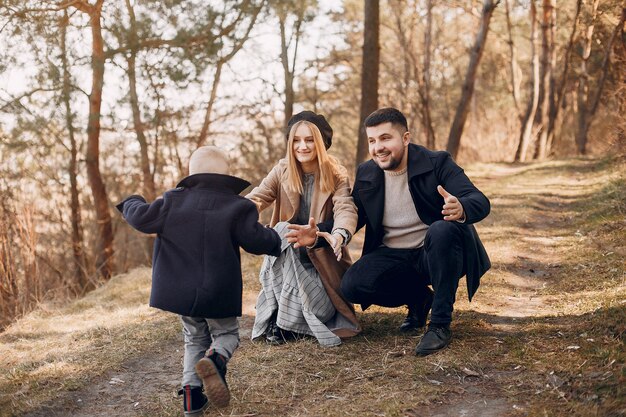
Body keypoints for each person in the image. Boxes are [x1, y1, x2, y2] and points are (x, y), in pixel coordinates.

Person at [288, 107, 490, 356]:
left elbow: (479, 200)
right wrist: (318, 233)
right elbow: (353, 215)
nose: (378, 148)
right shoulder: (367, 172)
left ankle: (439, 324)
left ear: (405, 138)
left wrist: (461, 207)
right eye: (372, 141)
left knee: (441, 230)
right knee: (353, 285)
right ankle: (419, 300)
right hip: (395, 256)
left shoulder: (437, 162)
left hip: (437, 253)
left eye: (386, 138)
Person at [116, 146, 281, 414]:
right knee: (226, 334)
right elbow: (256, 240)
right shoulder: (238, 207)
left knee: (194, 338)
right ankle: (215, 359)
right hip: (218, 291)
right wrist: (276, 239)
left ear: (191, 174)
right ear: (226, 177)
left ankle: (192, 398)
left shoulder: (172, 201)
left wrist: (132, 201)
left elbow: (140, 217)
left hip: (180, 292)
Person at [246, 110, 361, 347]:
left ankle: (285, 321)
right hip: (286, 263)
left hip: (320, 276)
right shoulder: (282, 170)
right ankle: (280, 319)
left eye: (309, 140)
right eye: (297, 140)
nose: (302, 146)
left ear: (321, 143)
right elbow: (257, 197)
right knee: (281, 230)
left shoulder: (336, 174)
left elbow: (345, 208)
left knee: (281, 230)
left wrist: (339, 234)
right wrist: (226, 214)